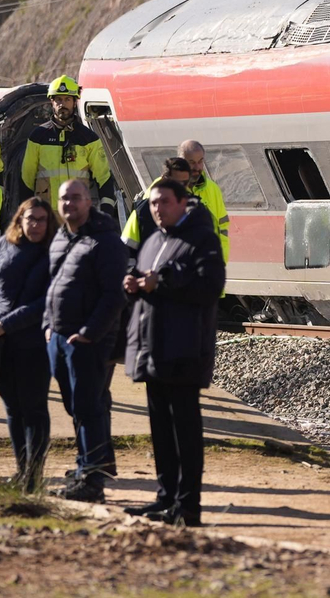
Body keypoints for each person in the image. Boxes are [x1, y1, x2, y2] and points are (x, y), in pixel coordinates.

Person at [122, 178, 226, 527]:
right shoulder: (153, 240)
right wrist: (134, 285)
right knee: (161, 431)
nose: (157, 208)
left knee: (184, 430)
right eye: (153, 203)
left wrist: (162, 281)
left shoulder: (203, 238)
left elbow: (210, 288)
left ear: (183, 203)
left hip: (183, 350)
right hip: (153, 349)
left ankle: (188, 506)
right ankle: (165, 498)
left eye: (164, 202)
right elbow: (148, 283)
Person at [44, 179, 128, 502]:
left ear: (88, 201)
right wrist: (47, 326)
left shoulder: (105, 241)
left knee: (88, 407)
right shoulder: (60, 237)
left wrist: (91, 332)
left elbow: (113, 295)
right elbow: (51, 287)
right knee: (76, 406)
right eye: (65, 198)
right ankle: (91, 465)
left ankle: (92, 481)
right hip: (59, 338)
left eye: (76, 198)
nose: (69, 204)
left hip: (89, 341)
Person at [0, 197, 54, 489]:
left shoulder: (52, 253)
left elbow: (45, 303)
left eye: (41, 220)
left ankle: (34, 474)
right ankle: (22, 470)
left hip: (33, 344)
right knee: (12, 409)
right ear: (19, 220)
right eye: (30, 219)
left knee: (33, 408)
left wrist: (5, 324)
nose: (35, 225)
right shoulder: (3, 246)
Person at [21, 76, 116, 217]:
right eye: (58, 99)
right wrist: (28, 212)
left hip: (79, 215)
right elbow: (26, 178)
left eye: (67, 99)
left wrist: (106, 212)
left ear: (74, 102)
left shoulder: (88, 138)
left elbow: (104, 177)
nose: (62, 104)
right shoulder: (38, 137)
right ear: (51, 102)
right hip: (48, 217)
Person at [121, 157, 193, 257]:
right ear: (164, 179)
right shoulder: (142, 211)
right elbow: (126, 252)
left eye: (185, 183)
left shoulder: (197, 211)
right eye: (176, 183)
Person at [177, 140, 230, 264]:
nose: (197, 167)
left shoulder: (213, 189)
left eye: (200, 161)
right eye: (191, 162)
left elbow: (222, 228)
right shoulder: (160, 189)